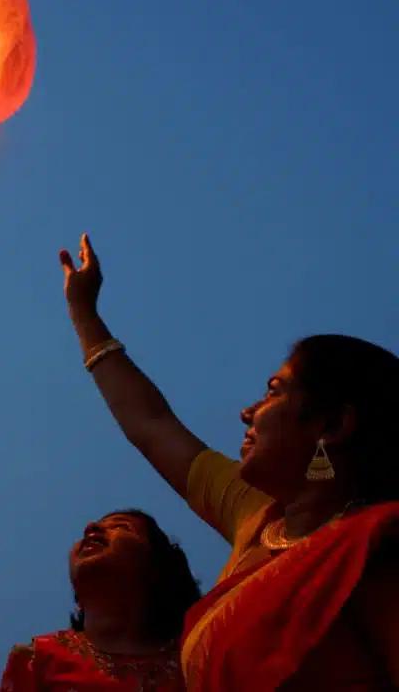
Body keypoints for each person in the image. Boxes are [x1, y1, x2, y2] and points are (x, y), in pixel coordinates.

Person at [58, 233, 399, 691]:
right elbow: (151, 423)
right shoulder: (253, 515)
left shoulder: (377, 546)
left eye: (274, 392)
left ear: (333, 425)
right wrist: (84, 314)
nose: (248, 411)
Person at [0, 508, 200, 690]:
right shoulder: (36, 658)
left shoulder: (199, 659)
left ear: (158, 569)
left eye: (121, 526)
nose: (90, 528)